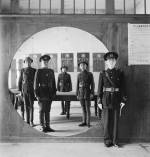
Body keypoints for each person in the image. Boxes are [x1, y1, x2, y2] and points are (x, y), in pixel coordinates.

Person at [97, 51, 127, 147]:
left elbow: (123, 87)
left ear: (116, 62)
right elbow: (99, 88)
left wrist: (123, 100)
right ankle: (107, 140)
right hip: (106, 99)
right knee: (106, 121)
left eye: (113, 60)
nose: (111, 62)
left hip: (116, 99)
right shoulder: (102, 73)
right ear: (106, 62)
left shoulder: (120, 73)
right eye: (109, 60)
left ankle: (115, 140)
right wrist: (99, 100)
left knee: (115, 121)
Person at [34, 54, 56, 132]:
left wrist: (54, 92)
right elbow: (36, 83)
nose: (45, 63)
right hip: (41, 92)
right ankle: (42, 126)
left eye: (47, 61)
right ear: (41, 62)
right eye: (44, 61)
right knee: (42, 110)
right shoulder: (39, 71)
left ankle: (48, 126)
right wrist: (36, 94)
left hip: (49, 92)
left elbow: (53, 83)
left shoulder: (51, 71)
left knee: (48, 110)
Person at [76, 59, 95, 127]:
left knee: (87, 108)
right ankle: (84, 121)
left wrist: (92, 93)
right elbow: (77, 85)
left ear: (86, 66)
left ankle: (88, 122)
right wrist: (77, 94)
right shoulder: (79, 75)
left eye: (84, 65)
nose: (82, 66)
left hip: (87, 92)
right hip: (81, 92)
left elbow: (92, 84)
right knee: (83, 108)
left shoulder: (90, 74)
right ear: (79, 67)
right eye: (81, 65)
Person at [18, 57, 36, 127]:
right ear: (25, 63)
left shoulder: (34, 70)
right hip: (24, 90)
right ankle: (27, 122)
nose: (28, 63)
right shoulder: (22, 70)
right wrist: (20, 91)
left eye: (29, 62)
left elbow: (36, 82)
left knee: (31, 106)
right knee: (26, 106)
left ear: (31, 62)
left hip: (32, 90)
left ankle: (31, 121)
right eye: (26, 62)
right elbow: (20, 81)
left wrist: (35, 91)